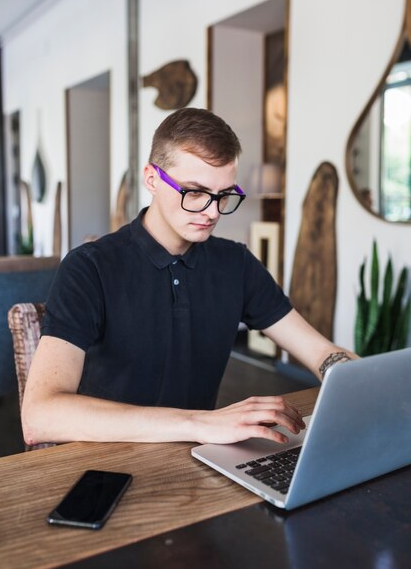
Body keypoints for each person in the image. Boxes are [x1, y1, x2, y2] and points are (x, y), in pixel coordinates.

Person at [22, 108, 356, 448]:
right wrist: (199, 422)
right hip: (104, 463)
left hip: (196, 459)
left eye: (224, 195)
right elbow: (39, 417)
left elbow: (320, 353)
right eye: (194, 192)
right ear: (151, 179)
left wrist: (371, 388)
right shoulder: (89, 268)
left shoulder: (235, 263)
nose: (213, 212)